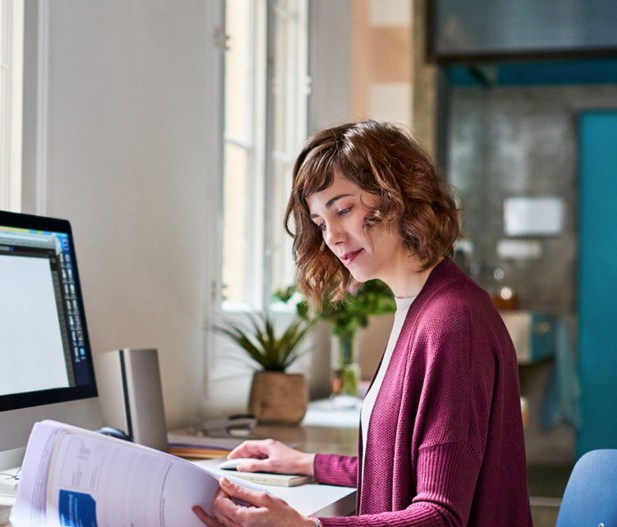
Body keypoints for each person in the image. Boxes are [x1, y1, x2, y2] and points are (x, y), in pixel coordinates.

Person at [194, 121, 532, 526]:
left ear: (400, 195)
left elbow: (441, 517)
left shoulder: (453, 322)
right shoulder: (420, 305)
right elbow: (402, 466)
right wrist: (307, 462)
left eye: (344, 210)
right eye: (320, 223)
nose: (332, 236)